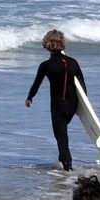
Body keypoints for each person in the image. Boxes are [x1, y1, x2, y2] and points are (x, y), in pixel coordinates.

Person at [25, 29, 85, 171]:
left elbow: (36, 84)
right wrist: (80, 106)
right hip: (73, 105)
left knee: (61, 138)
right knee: (62, 134)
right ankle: (61, 162)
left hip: (58, 106)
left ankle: (68, 169)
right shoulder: (73, 63)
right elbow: (82, 87)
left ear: (47, 44)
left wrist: (29, 98)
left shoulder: (46, 65)